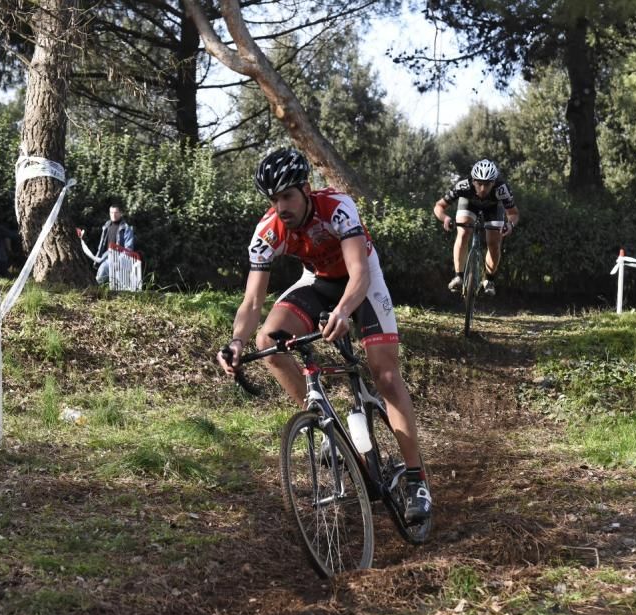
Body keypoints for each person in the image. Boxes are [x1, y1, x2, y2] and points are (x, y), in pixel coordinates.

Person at [215, 148, 432, 524]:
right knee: (267, 341)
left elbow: (359, 272)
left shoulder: (336, 206)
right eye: (273, 199)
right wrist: (236, 341)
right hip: (318, 283)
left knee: (385, 374)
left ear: (305, 188)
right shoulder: (269, 231)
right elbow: (252, 301)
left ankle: (416, 480)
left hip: (361, 282)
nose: (280, 206)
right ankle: (326, 424)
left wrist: (344, 312)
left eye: (286, 196)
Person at [432, 159, 520, 296]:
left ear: (494, 182)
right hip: (469, 204)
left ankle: (489, 280)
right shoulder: (463, 185)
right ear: (473, 181)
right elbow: (439, 206)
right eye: (479, 184)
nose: (483, 189)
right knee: (463, 233)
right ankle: (459, 276)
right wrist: (446, 218)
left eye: (488, 184)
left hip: (493, 207)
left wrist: (510, 224)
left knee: (494, 243)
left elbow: (513, 213)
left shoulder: (502, 189)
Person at [93, 201, 135, 285]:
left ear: (121, 213)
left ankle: (94, 290)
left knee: (102, 274)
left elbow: (128, 249)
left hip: (117, 258)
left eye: (116, 212)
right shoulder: (106, 225)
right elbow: (101, 245)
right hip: (105, 256)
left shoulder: (126, 228)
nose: (113, 215)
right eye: (111, 212)